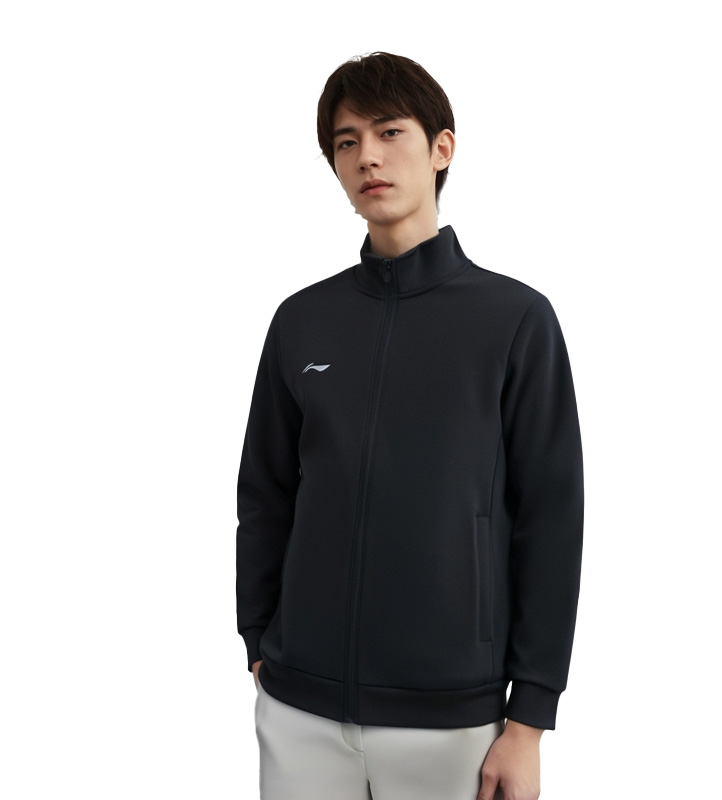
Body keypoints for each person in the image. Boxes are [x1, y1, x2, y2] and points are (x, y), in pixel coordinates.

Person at [236, 51, 584, 800]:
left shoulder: (515, 320)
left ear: (441, 148)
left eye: (389, 132)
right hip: (298, 708)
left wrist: (529, 719)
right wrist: (258, 639)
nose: (367, 156)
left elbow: (552, 520)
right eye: (346, 142)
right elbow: (265, 494)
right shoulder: (302, 320)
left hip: (451, 718)